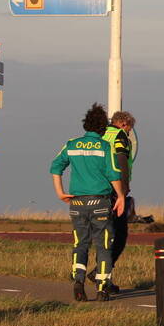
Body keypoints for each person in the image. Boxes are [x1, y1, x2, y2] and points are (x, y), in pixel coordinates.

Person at [50, 103, 125, 302]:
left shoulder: (71, 144)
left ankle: (78, 282)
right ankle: (101, 288)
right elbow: (113, 174)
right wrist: (121, 196)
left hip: (77, 203)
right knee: (104, 246)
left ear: (85, 125)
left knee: (80, 244)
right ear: (103, 128)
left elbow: (55, 166)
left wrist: (61, 193)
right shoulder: (104, 146)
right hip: (100, 202)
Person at [101, 110, 136, 293]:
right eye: (130, 128)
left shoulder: (102, 133)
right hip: (115, 191)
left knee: (104, 236)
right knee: (120, 235)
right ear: (123, 123)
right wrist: (123, 188)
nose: (129, 132)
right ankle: (102, 275)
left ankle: (103, 278)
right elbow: (122, 160)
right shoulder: (120, 136)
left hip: (98, 189)